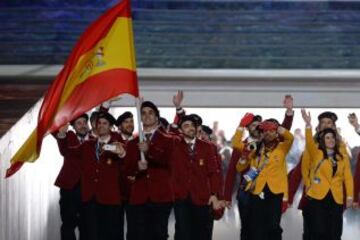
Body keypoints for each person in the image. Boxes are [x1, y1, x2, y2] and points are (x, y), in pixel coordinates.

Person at [58, 112, 126, 240]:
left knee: (109, 233)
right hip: (90, 199)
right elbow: (68, 152)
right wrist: (61, 135)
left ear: (111, 126)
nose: (101, 126)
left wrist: (122, 154)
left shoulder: (118, 144)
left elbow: (127, 165)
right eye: (99, 123)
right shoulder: (88, 145)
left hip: (110, 199)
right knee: (90, 233)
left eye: (105, 123)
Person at [301, 109, 353, 240]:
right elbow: (304, 168)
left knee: (334, 232)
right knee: (315, 231)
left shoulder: (341, 148)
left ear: (334, 126)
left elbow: (347, 175)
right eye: (323, 123)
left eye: (329, 122)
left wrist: (350, 196)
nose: (326, 125)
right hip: (315, 194)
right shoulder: (313, 147)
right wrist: (307, 185)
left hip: (336, 196)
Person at [171, 115, 222, 240]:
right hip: (181, 197)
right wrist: (178, 110)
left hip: (202, 197)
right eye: (186, 126)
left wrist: (214, 194)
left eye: (192, 126)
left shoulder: (207, 146)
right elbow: (166, 135)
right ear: (181, 130)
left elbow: (213, 172)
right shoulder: (174, 146)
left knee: (201, 233)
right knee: (182, 232)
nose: (190, 129)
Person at [246, 120, 294, 240]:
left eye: (271, 131)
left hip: (276, 192)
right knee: (257, 227)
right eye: (265, 131)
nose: (268, 133)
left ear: (276, 133)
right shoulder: (255, 148)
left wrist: (278, 128)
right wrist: (241, 127)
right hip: (257, 191)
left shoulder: (282, 147)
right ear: (261, 134)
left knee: (273, 226)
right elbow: (251, 168)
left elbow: (290, 138)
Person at [53, 113, 90, 240]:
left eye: (84, 122)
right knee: (68, 225)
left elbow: (102, 121)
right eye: (79, 123)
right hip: (69, 188)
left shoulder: (93, 138)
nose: (82, 125)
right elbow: (63, 149)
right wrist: (62, 133)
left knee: (86, 226)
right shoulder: (68, 136)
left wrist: (106, 105)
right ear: (73, 126)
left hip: (87, 189)